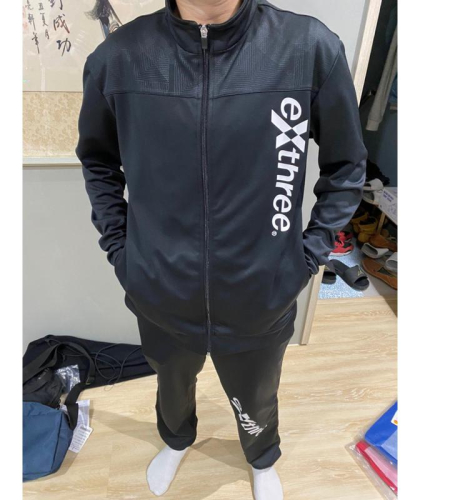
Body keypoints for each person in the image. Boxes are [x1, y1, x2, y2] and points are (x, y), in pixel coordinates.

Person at [76, 0, 367, 498]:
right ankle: (176, 439)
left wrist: (306, 257)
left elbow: (346, 166)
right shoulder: (119, 57)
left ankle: (260, 456)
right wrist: (123, 252)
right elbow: (98, 162)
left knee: (257, 393)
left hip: (262, 290)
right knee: (171, 383)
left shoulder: (307, 48)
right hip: (160, 287)